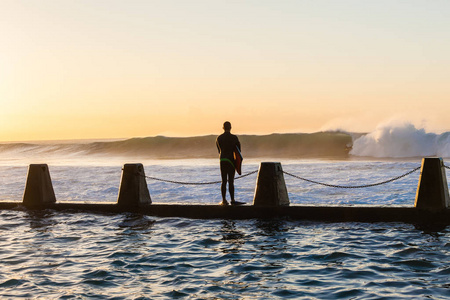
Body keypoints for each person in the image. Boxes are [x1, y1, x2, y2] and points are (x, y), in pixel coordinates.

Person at [216, 121, 241, 205]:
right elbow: (238, 151)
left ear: (223, 127)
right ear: (230, 127)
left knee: (223, 181)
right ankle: (233, 200)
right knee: (231, 181)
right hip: (230, 160)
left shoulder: (219, 138)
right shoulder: (234, 138)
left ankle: (224, 200)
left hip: (222, 159)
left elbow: (219, 150)